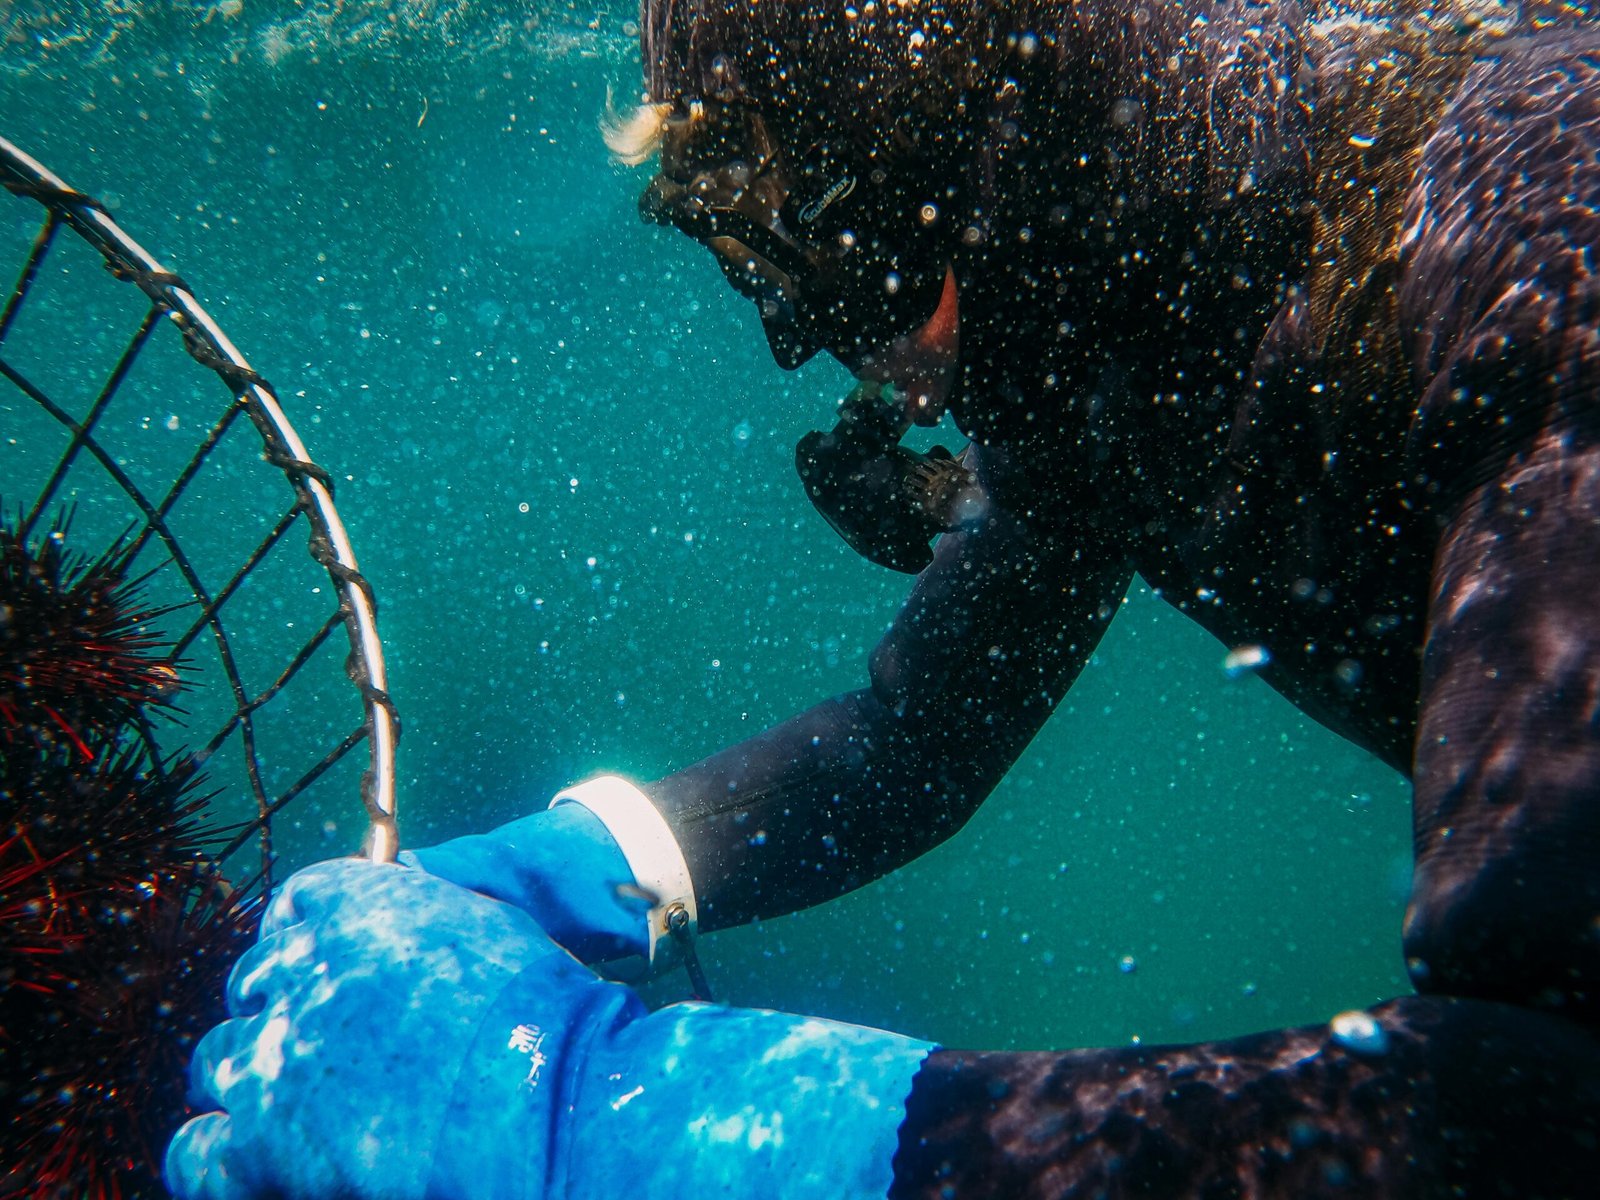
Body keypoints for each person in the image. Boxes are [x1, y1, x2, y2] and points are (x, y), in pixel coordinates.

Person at [168, 0, 1600, 1195]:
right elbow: (906, 748)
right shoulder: (1120, 316)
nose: (803, 352)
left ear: (971, 166)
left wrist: (629, 1124)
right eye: (748, 271)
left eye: (815, 271)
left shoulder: (1550, 206)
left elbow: (1544, 1100)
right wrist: (597, 859)